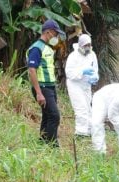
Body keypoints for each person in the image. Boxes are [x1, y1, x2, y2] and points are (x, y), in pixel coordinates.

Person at [26, 19, 66, 147]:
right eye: (55, 34)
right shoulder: (36, 49)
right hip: (42, 87)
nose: (56, 37)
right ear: (48, 32)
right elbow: (32, 70)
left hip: (50, 86)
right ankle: (52, 145)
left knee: (47, 115)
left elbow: (58, 48)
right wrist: (38, 93)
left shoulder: (48, 47)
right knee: (54, 116)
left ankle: (43, 142)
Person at [65, 34, 99, 137]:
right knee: (81, 109)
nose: (88, 47)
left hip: (86, 85)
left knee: (88, 108)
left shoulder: (92, 54)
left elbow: (95, 69)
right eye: (85, 45)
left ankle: (88, 131)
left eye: (89, 44)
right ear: (80, 45)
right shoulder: (73, 56)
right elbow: (69, 73)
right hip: (75, 85)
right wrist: (82, 72)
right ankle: (80, 133)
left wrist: (95, 78)